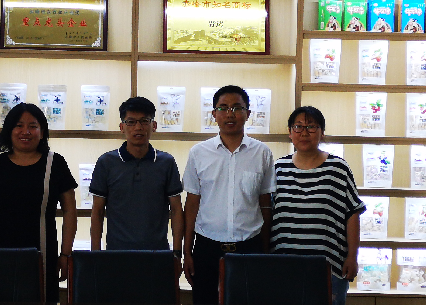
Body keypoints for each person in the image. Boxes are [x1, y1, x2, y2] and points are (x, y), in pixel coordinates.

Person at [0, 102, 77, 303]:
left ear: (42, 131)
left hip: (42, 251)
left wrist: (65, 254)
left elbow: (70, 211)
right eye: (19, 125)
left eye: (33, 126)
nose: (26, 132)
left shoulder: (55, 163)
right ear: (9, 130)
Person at [183, 85, 276, 305]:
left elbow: (265, 204)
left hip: (249, 247)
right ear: (214, 114)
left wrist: (265, 250)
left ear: (248, 113)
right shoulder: (198, 153)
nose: (230, 114)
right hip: (207, 247)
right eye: (223, 108)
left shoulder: (262, 153)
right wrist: (187, 251)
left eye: (237, 108)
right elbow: (192, 205)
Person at [271, 106, 366, 305]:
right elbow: (268, 213)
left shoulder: (338, 168)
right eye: (298, 126)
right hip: (283, 265)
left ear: (322, 132)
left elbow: (352, 213)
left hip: (329, 266)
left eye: (311, 127)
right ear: (290, 132)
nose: (304, 132)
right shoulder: (278, 168)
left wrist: (352, 256)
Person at [89, 96, 184, 258]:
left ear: (154, 126)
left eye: (144, 121)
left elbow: (176, 210)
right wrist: (95, 255)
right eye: (131, 122)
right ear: (122, 127)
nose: (138, 127)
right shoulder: (106, 162)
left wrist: (176, 252)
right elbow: (97, 212)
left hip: (158, 254)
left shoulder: (166, 162)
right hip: (116, 254)